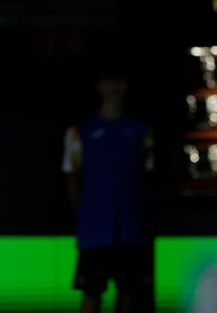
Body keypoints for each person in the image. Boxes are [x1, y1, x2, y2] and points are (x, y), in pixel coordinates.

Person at [61, 60, 154, 313]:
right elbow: (72, 178)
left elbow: (147, 179)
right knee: (92, 295)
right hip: (94, 232)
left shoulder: (141, 131)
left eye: (118, 81)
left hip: (131, 231)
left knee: (129, 295)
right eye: (108, 80)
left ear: (125, 86)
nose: (113, 86)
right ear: (99, 86)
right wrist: (86, 219)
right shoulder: (79, 132)